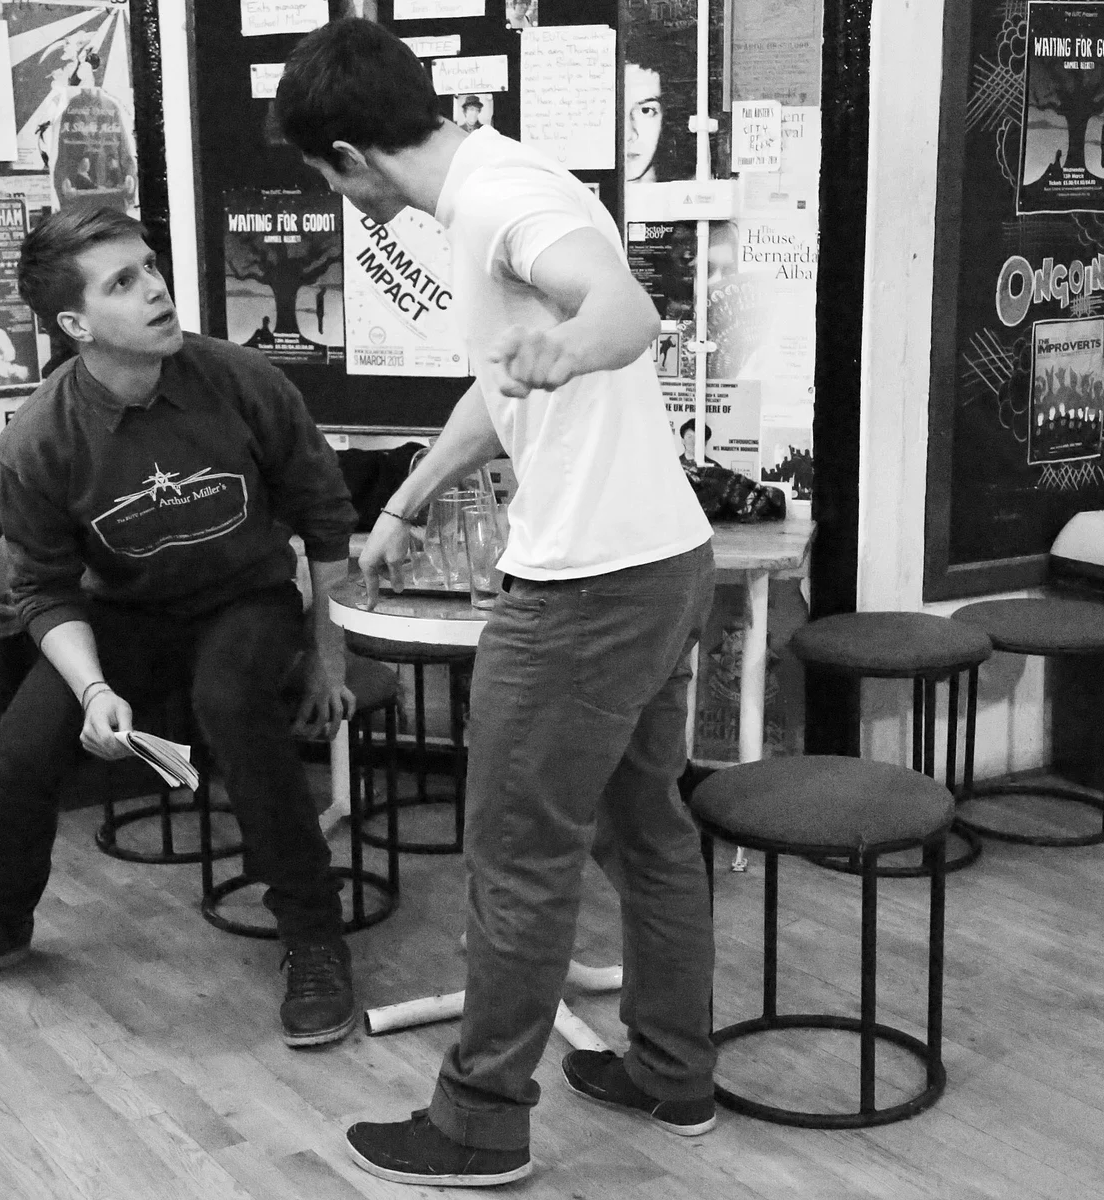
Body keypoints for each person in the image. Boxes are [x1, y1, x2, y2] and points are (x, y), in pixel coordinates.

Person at [275, 18, 719, 1187]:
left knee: (517, 857)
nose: (339, 198)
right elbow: (499, 386)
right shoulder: (512, 174)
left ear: (348, 156)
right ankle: (674, 1072)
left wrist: (580, 347)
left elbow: (624, 312)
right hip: (665, 559)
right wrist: (407, 499)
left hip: (586, 592)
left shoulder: (495, 205)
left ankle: (477, 1124)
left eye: (327, 178)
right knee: (646, 831)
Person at [0, 206, 366, 1053]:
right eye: (124, 283)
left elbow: (326, 524)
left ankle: (314, 934)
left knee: (232, 703)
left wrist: (328, 659)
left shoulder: (242, 381)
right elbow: (43, 591)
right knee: (18, 754)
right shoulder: (37, 440)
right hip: (123, 615)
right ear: (75, 324)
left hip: (244, 600)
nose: (157, 291)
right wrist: (94, 689)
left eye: (151, 268)